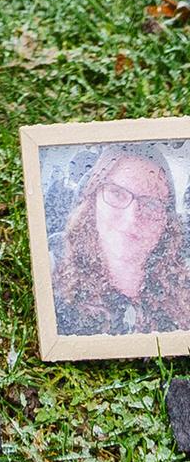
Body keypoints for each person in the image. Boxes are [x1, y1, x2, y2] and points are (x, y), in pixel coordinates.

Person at [51, 144, 190, 338]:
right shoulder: (51, 282)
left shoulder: (185, 291)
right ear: (93, 203)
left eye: (151, 203)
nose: (132, 217)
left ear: (166, 222)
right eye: (117, 193)